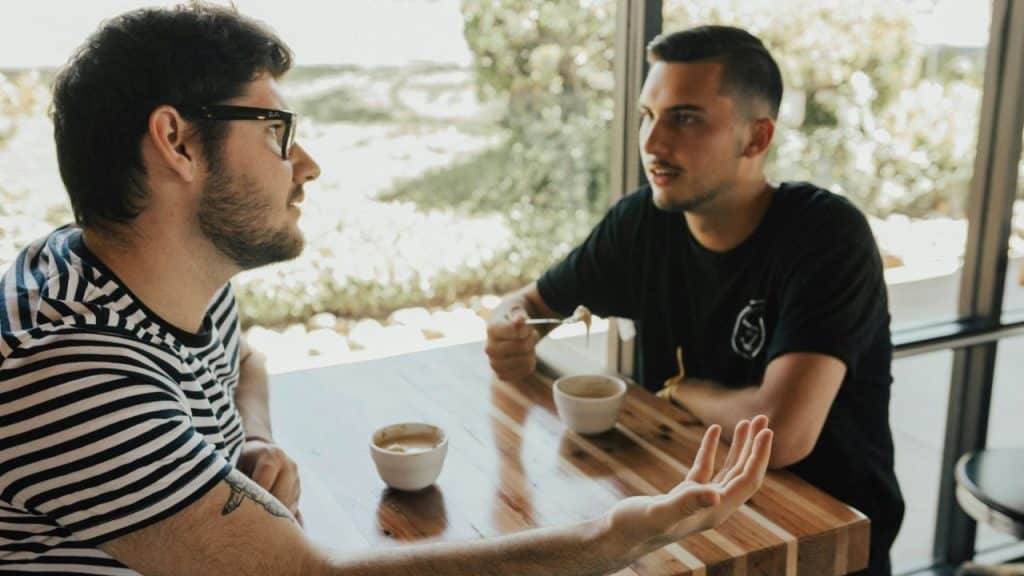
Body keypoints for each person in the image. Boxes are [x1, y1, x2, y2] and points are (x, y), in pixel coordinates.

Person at [0, 5, 773, 575]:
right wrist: (613, 538)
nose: (304, 163)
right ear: (176, 143)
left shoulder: (113, 271)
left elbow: (244, 357)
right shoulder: (70, 370)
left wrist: (253, 438)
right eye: (275, 130)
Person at [485, 25, 904, 575]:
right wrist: (509, 331)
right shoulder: (641, 223)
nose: (653, 143)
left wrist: (683, 392)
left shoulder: (826, 236)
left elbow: (778, 435)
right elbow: (527, 304)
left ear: (756, 138)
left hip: (820, 540)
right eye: (647, 116)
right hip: (688, 515)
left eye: (684, 118)